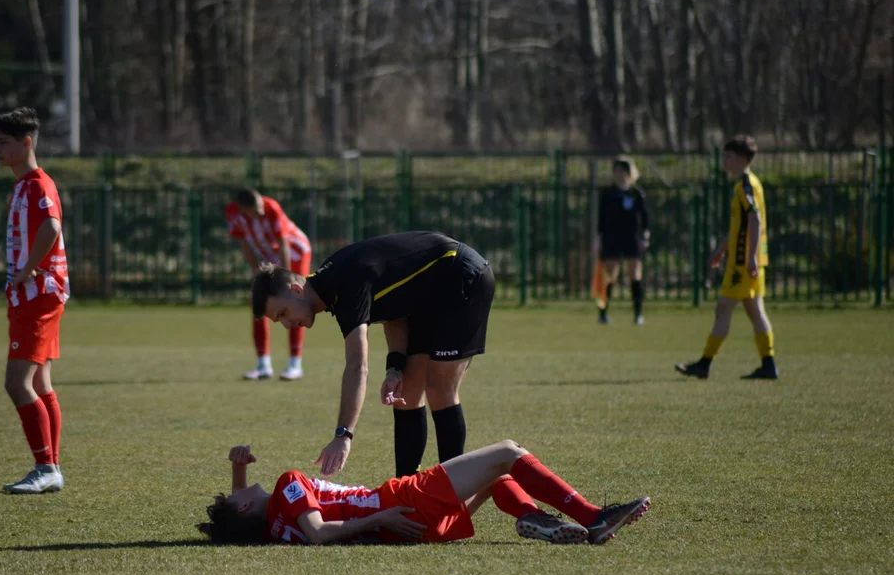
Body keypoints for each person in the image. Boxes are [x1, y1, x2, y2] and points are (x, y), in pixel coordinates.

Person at [251, 231, 496, 479]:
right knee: (407, 394)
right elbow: (391, 308)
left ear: (296, 290)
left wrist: (343, 435)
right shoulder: (330, 285)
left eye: (282, 313)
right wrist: (395, 367)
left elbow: (357, 366)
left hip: (459, 274)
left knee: (439, 388)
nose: (286, 324)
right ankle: (404, 488)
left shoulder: (344, 286)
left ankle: (453, 488)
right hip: (429, 295)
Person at [197, 442, 650, 546]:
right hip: (402, 503)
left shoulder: (271, 527)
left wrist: (238, 468)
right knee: (508, 453)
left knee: (496, 478)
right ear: (242, 505)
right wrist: (379, 517)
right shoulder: (285, 487)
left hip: (414, 530)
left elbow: (241, 511)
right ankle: (592, 518)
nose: (240, 488)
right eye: (237, 491)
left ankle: (535, 520)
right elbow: (317, 533)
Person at [0, 107, 71, 493]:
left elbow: (52, 227)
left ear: (26, 143)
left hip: (38, 295)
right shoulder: (23, 184)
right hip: (37, 295)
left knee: (16, 382)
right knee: (40, 381)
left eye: (4, 142)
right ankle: (50, 468)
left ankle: (45, 467)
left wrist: (26, 270)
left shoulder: (39, 184)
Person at [676, 135, 778, 380]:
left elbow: (754, 220)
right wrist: (722, 250)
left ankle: (704, 364)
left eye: (729, 156)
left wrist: (749, 257)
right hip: (751, 258)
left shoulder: (746, 185)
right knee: (755, 311)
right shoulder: (749, 183)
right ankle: (768, 364)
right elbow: (740, 225)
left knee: (723, 308)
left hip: (743, 261)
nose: (725, 160)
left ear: (743, 159)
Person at [225, 188, 312, 381]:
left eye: (260, 206)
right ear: (242, 209)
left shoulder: (271, 207)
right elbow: (245, 244)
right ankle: (263, 364)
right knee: (259, 304)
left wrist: (287, 279)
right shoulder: (233, 212)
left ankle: (294, 364)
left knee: (295, 302)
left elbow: (283, 244)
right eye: (255, 210)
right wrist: (256, 271)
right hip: (270, 257)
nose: (261, 212)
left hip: (295, 253)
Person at [595, 156, 650, 325]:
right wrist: (598, 240)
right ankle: (603, 313)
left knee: (634, 275)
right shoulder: (608, 194)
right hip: (612, 238)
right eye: (615, 170)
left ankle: (638, 314)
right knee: (609, 276)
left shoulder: (636, 193)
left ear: (628, 172)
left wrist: (645, 236)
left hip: (631, 238)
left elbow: (646, 218)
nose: (617, 173)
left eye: (620, 170)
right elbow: (601, 220)